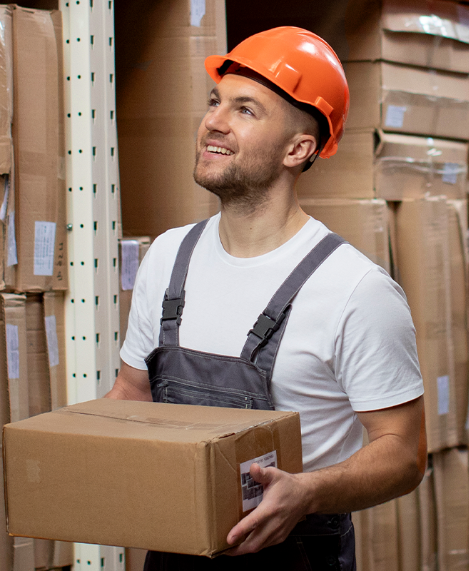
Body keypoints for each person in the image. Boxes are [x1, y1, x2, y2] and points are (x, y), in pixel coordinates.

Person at [106, 26, 427, 570]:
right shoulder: (168, 257)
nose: (214, 121)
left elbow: (404, 453)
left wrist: (308, 491)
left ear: (299, 148)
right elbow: (132, 395)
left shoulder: (355, 290)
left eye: (246, 110)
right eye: (215, 101)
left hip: (295, 554)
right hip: (175, 550)